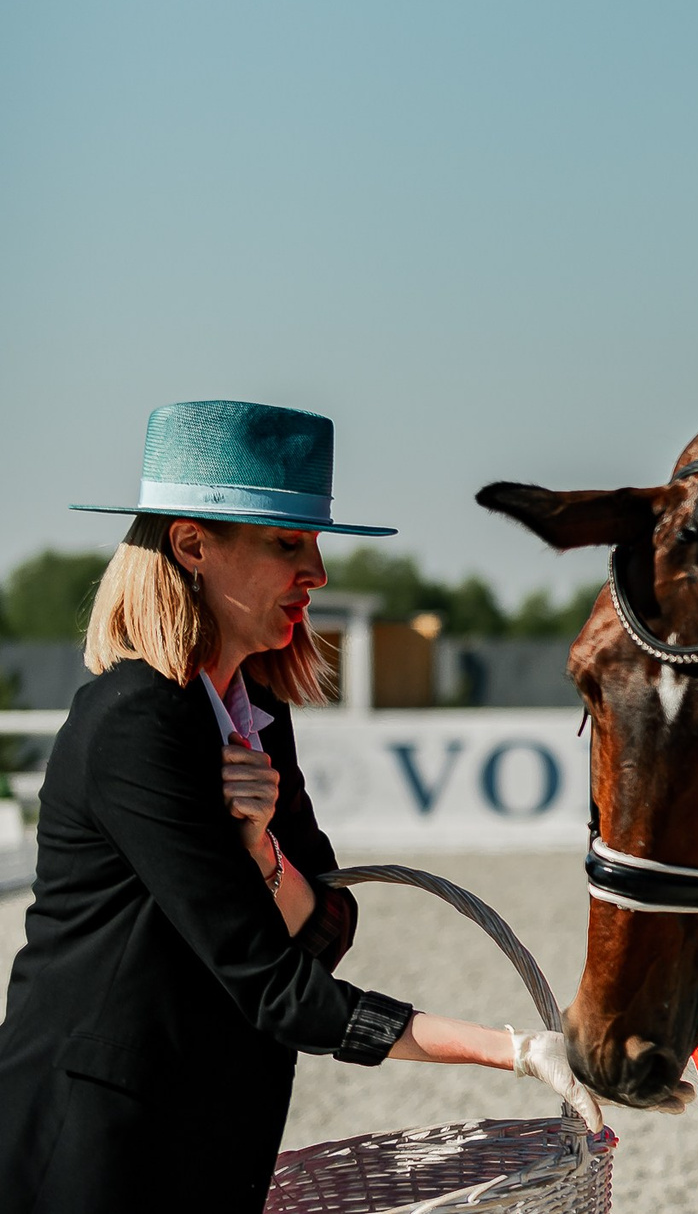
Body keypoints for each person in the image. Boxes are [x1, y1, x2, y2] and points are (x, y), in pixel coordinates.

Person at [0, 401, 612, 1214]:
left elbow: (328, 923)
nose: (317, 571)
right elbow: (277, 988)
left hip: (210, 1130)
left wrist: (263, 854)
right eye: (288, 543)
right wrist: (516, 1050)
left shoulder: (256, 705)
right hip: (96, 1138)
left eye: (315, 542)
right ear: (191, 545)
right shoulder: (134, 719)